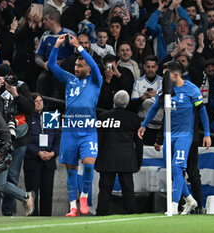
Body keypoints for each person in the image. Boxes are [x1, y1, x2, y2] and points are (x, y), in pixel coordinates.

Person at [138, 61, 212, 215]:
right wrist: (144, 125)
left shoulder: (191, 90)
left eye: (166, 74)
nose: (163, 77)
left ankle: (172, 206)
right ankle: (190, 200)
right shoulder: (164, 89)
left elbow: (202, 112)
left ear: (175, 75)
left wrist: (206, 134)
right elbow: (155, 107)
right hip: (168, 135)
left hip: (185, 135)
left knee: (178, 168)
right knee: (172, 171)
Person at [47, 34, 102, 217]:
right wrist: (56, 46)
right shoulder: (70, 80)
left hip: (87, 132)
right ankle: (72, 206)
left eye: (79, 65)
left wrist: (79, 48)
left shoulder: (95, 81)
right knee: (70, 170)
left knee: (88, 165)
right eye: (75, 65)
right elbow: (52, 66)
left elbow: (94, 65)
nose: (75, 67)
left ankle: (84, 196)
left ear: (87, 68)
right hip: (70, 132)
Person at [0, 64, 34, 216]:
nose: (7, 81)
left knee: (12, 176)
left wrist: (15, 94)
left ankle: (8, 212)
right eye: (3, 78)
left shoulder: (20, 87)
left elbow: (30, 108)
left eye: (9, 78)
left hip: (18, 138)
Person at [95, 90, 143, 216]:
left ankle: (101, 213)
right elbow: (138, 142)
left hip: (107, 157)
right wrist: (139, 161)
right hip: (127, 158)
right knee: (128, 189)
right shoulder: (134, 118)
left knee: (104, 189)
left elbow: (98, 140)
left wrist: (96, 159)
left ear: (113, 102)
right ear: (127, 103)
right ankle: (131, 213)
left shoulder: (103, 117)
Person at [23, 94, 61, 216]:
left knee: (47, 193)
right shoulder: (26, 117)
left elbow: (58, 138)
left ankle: (46, 220)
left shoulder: (51, 116)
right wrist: (38, 152)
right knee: (32, 194)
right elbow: (23, 139)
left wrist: (53, 153)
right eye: (36, 101)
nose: (39, 103)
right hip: (32, 160)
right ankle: (32, 219)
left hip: (49, 161)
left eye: (41, 101)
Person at [130, 55, 163, 146]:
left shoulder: (163, 82)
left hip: (160, 126)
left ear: (157, 67)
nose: (150, 69)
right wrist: (142, 98)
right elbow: (132, 105)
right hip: (143, 125)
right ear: (144, 67)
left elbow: (171, 102)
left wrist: (156, 95)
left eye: (153, 67)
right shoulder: (138, 82)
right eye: (148, 67)